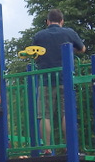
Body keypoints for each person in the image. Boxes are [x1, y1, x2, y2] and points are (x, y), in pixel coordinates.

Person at [32, 9, 86, 147]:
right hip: (65, 79)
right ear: (62, 21)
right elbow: (82, 49)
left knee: (44, 115)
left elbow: (35, 55)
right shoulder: (69, 32)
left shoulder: (39, 36)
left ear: (47, 22)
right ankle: (70, 147)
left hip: (45, 80)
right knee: (66, 112)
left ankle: (47, 148)